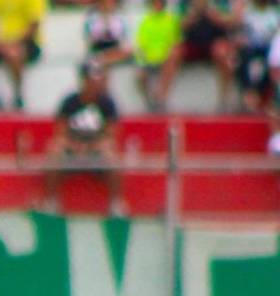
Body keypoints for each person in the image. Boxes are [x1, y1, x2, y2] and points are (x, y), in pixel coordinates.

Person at [44, 62, 123, 216]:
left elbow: (111, 135)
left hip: (96, 149)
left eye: (98, 79)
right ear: (84, 81)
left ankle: (116, 203)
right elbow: (60, 132)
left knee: (111, 155)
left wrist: (91, 147)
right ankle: (51, 201)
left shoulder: (107, 103)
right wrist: (74, 146)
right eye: (92, 80)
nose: (96, 83)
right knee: (54, 150)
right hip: (72, 148)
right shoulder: (70, 102)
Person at [179, 0, 238, 110]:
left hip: (215, 43)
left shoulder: (222, 3)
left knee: (225, 54)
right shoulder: (185, 3)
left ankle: (224, 98)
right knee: (174, 52)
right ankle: (160, 99)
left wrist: (215, 16)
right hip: (193, 43)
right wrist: (194, 15)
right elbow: (180, 24)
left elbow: (232, 22)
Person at [135, 0, 183, 112]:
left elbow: (176, 42)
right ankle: (152, 102)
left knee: (172, 59)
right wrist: (143, 60)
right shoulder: (146, 21)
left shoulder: (171, 19)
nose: (156, 5)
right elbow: (141, 44)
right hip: (149, 59)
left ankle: (161, 99)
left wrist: (163, 54)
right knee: (140, 75)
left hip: (165, 58)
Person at [232, 0, 279, 112]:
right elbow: (236, 33)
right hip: (249, 50)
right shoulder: (247, 11)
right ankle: (250, 95)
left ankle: (256, 96)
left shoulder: (276, 13)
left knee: (265, 62)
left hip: (270, 50)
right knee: (243, 60)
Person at [83, 0, 133, 67]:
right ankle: (105, 60)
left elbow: (123, 42)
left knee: (129, 52)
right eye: (104, 3)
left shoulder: (120, 20)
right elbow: (91, 42)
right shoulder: (92, 20)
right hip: (99, 49)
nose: (107, 5)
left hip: (114, 50)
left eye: (110, 3)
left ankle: (106, 60)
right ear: (99, 4)